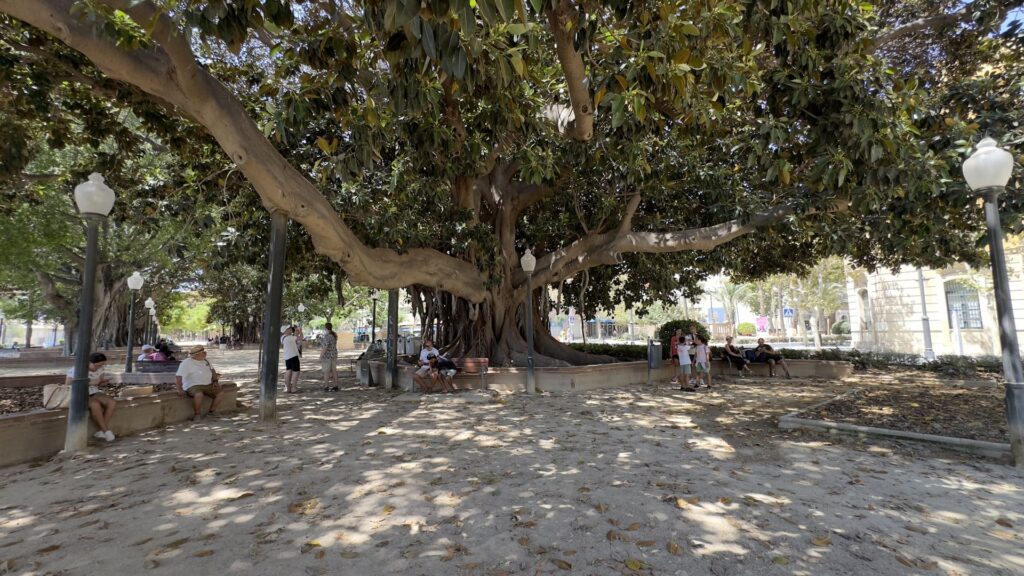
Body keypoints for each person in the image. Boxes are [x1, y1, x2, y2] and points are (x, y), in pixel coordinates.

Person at [65, 352, 116, 442]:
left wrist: (103, 382)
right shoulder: (77, 369)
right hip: (79, 392)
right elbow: (67, 384)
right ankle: (106, 430)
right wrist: (86, 382)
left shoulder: (100, 369)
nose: (99, 368)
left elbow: (99, 381)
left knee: (112, 402)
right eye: (97, 366)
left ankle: (101, 431)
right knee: (95, 405)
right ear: (89, 362)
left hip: (93, 391)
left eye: (101, 365)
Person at [175, 345, 225, 422]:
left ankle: (211, 412)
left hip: (208, 384)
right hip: (193, 385)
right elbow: (178, 376)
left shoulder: (206, 361)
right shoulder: (186, 363)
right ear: (196, 355)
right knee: (199, 395)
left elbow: (213, 371)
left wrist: (215, 381)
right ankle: (197, 414)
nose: (205, 354)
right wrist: (179, 389)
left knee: (220, 393)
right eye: (203, 353)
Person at [281, 325, 301, 393]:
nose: (290, 329)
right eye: (289, 328)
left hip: (287, 356)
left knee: (288, 371)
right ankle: (294, 387)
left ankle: (288, 387)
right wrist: (300, 331)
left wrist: (295, 332)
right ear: (285, 331)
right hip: (293, 356)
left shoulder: (283, 337)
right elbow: (300, 338)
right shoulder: (290, 338)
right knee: (296, 371)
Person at [320, 322, 338, 390]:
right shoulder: (334, 335)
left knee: (326, 371)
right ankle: (335, 385)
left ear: (325, 327)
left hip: (327, 356)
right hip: (334, 355)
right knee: (334, 371)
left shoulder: (327, 336)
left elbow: (325, 347)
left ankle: (326, 386)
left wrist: (321, 356)